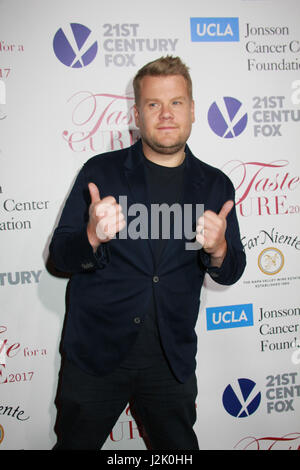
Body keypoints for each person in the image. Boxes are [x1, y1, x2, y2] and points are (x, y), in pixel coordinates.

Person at [50, 56, 246, 450]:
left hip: (170, 360)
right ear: (137, 113)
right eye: (154, 104)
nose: (166, 114)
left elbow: (232, 268)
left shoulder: (215, 184)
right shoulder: (100, 173)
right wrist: (91, 235)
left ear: (192, 110)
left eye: (176, 102)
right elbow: (58, 259)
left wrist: (221, 249)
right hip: (95, 357)